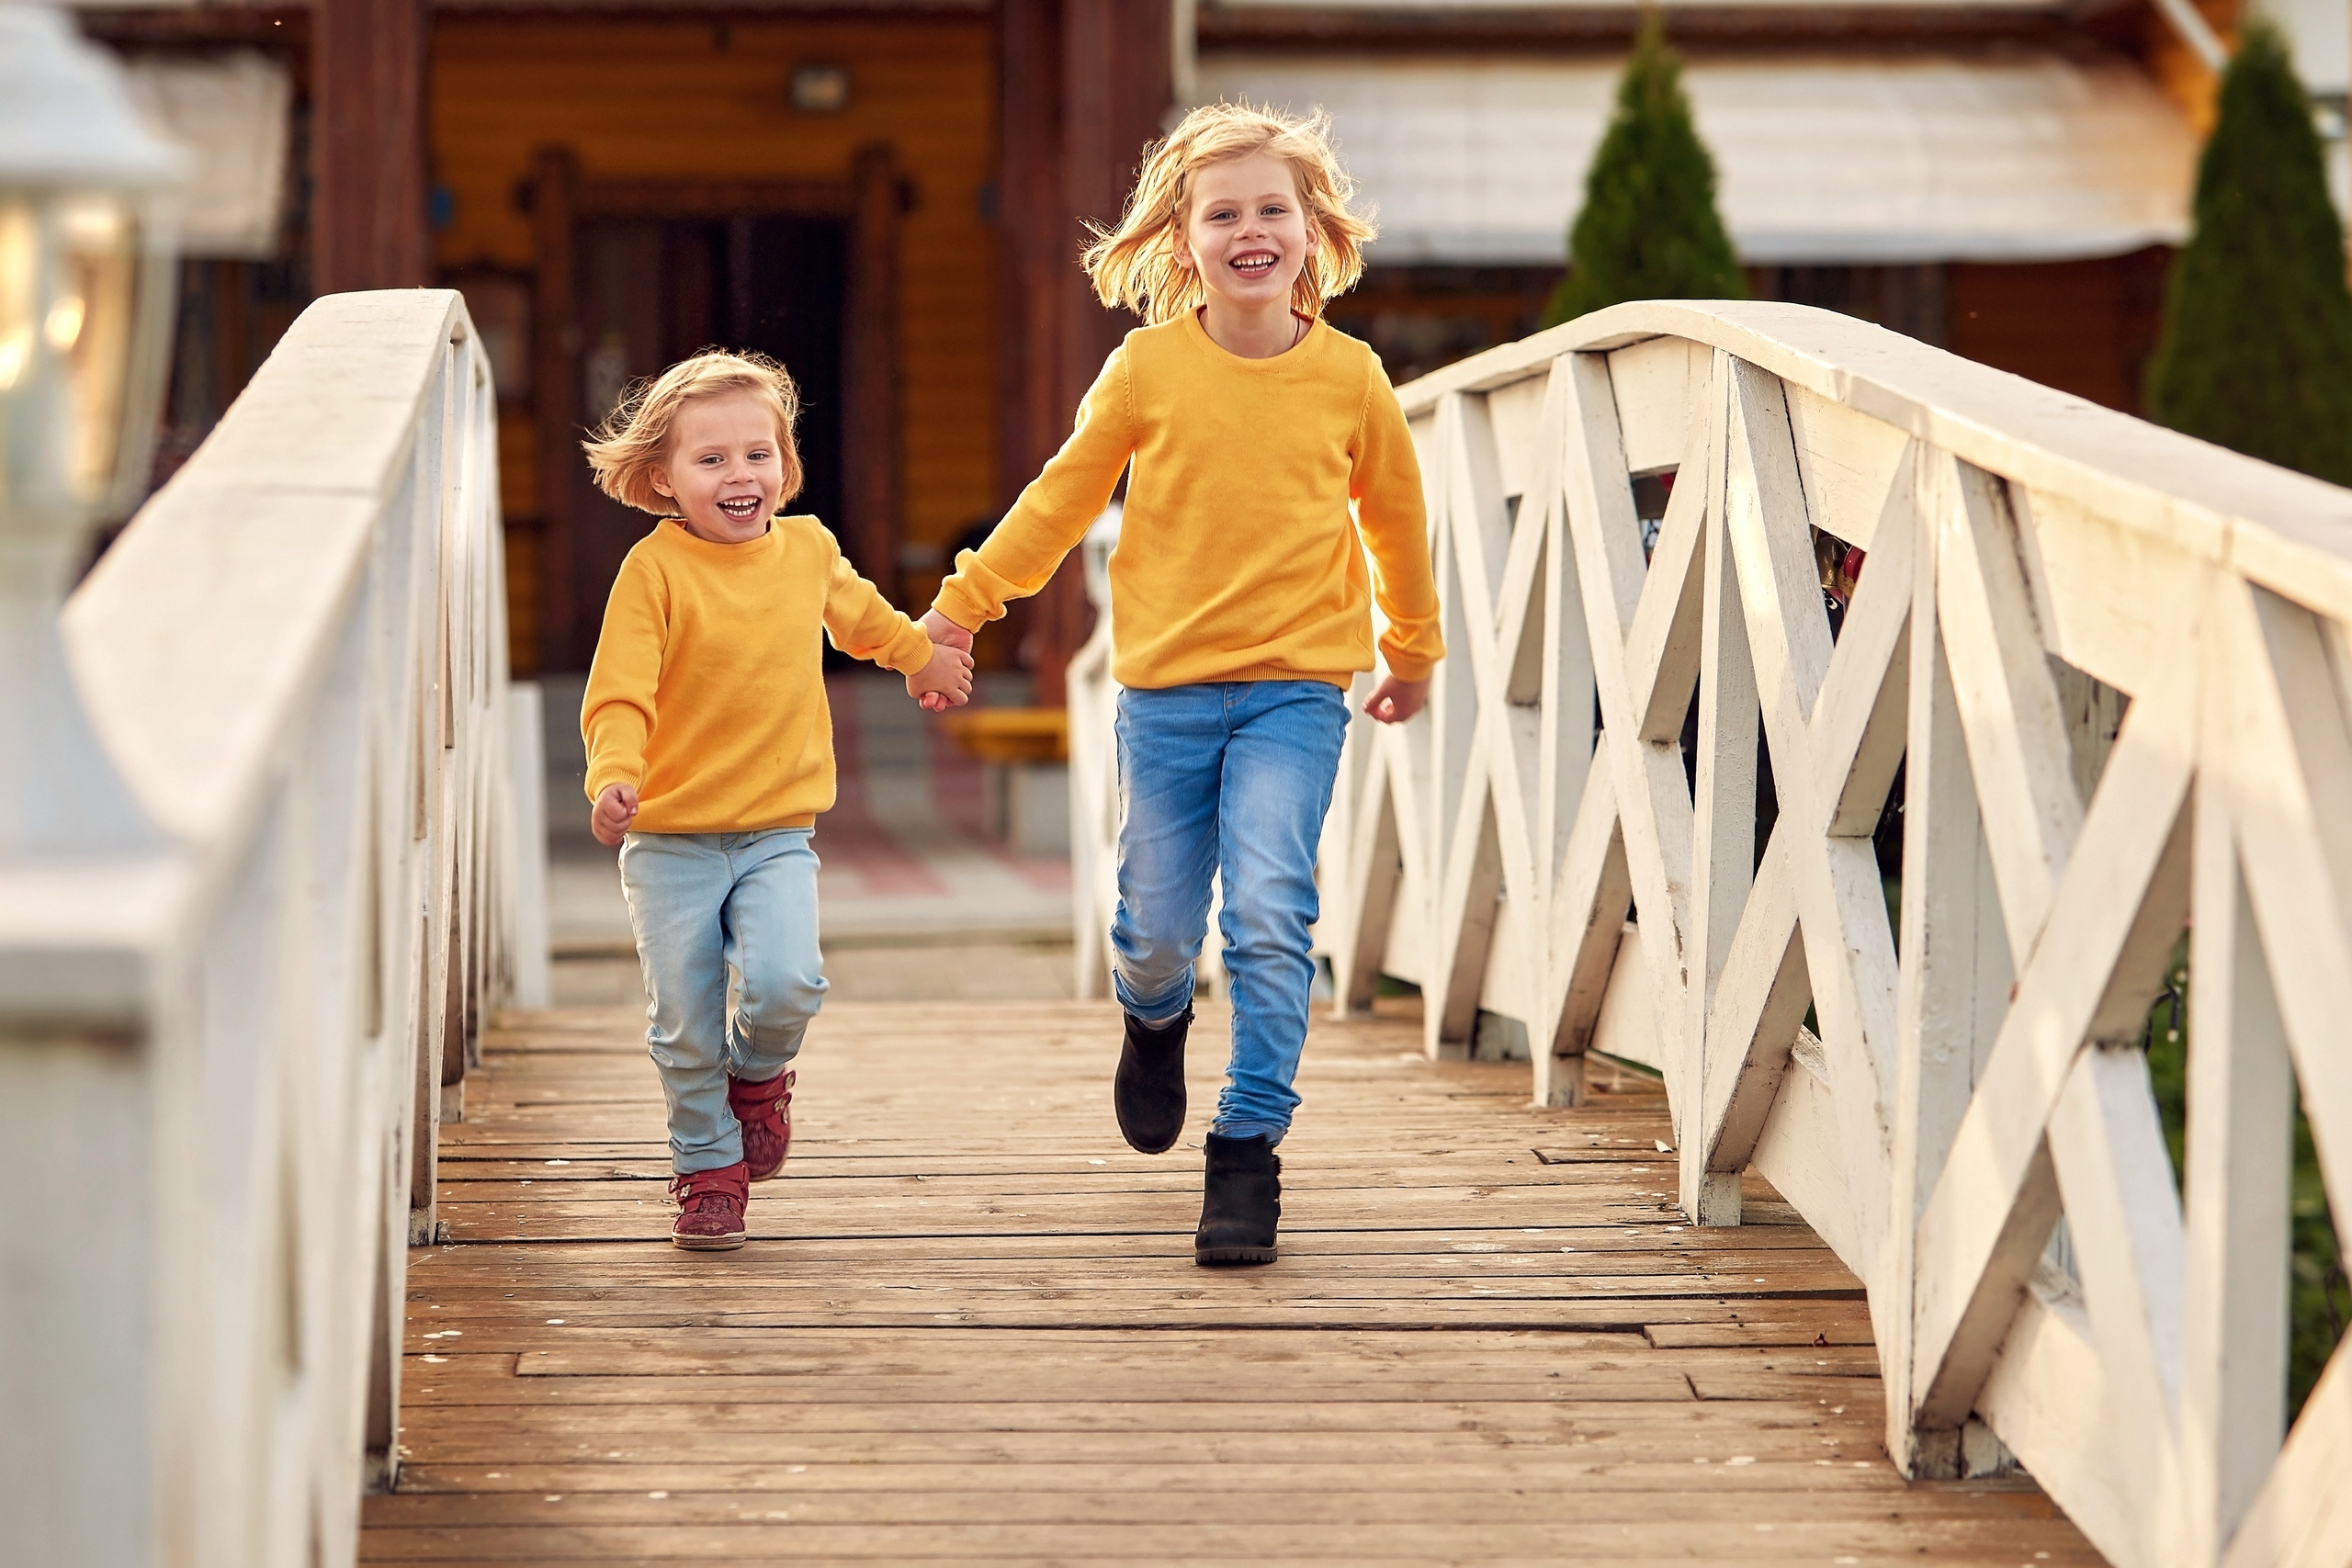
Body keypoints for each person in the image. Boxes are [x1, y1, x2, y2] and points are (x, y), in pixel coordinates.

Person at [921, 103, 1443, 1265]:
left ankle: (1248, 1150)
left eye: (1273, 210)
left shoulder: (1352, 378)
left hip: (1296, 693)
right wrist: (962, 608)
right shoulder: (1147, 366)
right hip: (1162, 696)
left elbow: (1399, 529)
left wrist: (1409, 650)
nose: (1250, 231)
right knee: (1157, 932)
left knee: (1267, 914)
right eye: (1223, 214)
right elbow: (1060, 501)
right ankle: (1153, 1024)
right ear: (1183, 236)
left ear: (1313, 232)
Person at [581, 350, 974, 1250]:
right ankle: (708, 1169)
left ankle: (758, 1079)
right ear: (662, 478)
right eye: (710, 459)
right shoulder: (654, 572)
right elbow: (618, 693)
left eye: (758, 455)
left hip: (775, 831)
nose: (740, 475)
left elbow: (865, 618)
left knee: (789, 982)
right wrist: (612, 778)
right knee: (683, 1023)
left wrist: (923, 657)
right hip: (671, 837)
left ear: (785, 467)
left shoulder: (808, 549)